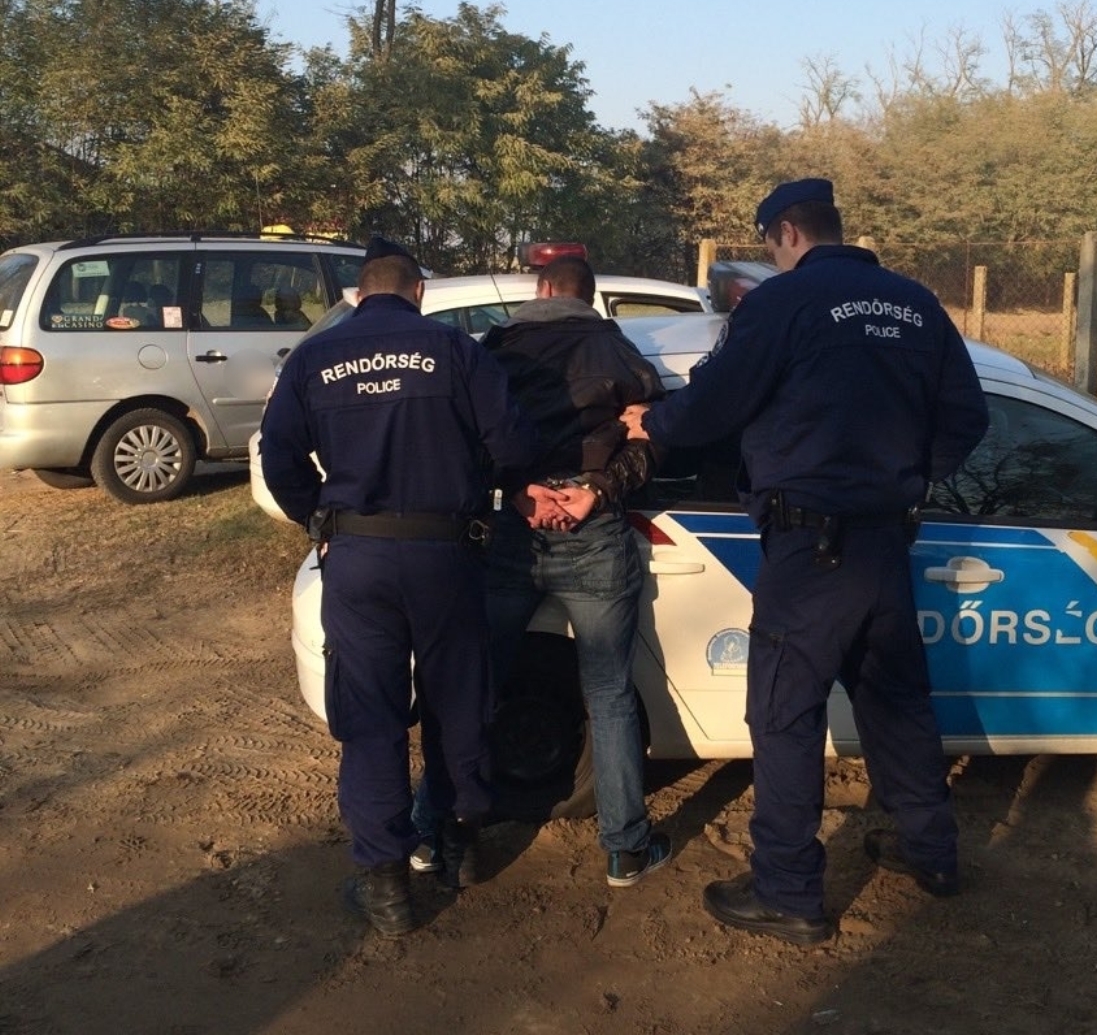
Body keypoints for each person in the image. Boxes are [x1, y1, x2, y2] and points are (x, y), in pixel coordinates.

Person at [623, 178, 989, 945]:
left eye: (770, 243)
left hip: (810, 546)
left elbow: (716, 402)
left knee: (783, 713)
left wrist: (653, 421)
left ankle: (788, 891)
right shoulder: (916, 303)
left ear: (787, 232)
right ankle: (932, 852)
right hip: (885, 540)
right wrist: (906, 477)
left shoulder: (784, 302)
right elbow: (967, 416)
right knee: (896, 703)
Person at [259, 235, 538, 937]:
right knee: (458, 701)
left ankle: (386, 885)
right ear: (419, 291)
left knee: (371, 714)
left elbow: (278, 454)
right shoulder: (456, 350)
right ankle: (459, 845)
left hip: (358, 557)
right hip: (447, 555)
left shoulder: (315, 357)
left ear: (359, 294)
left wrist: (318, 517)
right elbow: (514, 444)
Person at [414, 254, 672, 889]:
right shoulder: (620, 352)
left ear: (542, 289)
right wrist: (595, 491)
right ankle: (625, 850)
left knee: (476, 683)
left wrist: (520, 491)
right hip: (597, 531)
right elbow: (657, 439)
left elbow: (467, 440)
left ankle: (430, 827)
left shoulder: (493, 351)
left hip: (515, 532)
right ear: (589, 298)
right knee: (608, 693)